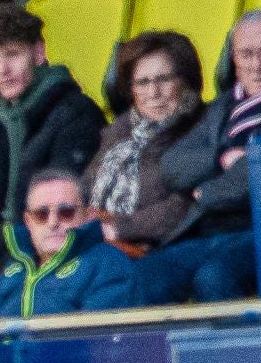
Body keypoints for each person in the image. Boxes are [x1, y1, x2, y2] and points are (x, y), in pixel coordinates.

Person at [144, 10, 261, 300]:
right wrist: (221, 158)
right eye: (246, 54)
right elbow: (171, 167)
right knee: (149, 274)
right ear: (234, 60)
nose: (256, 65)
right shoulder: (224, 106)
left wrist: (205, 193)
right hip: (209, 233)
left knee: (213, 276)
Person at [0, 3, 105, 234]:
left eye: (13, 54)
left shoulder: (74, 113)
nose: (3, 69)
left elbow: (61, 204)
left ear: (38, 53)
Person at [80, 31, 204, 253]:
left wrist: (116, 227)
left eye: (164, 79)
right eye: (142, 82)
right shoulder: (118, 131)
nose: (153, 92)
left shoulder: (202, 127)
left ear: (186, 80)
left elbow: (185, 206)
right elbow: (85, 185)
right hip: (96, 242)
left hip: (154, 251)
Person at [0, 169, 138, 316]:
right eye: (41, 214)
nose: (53, 222)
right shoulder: (14, 269)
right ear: (28, 222)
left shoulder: (107, 263)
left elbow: (95, 339)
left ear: (88, 216)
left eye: (66, 212)